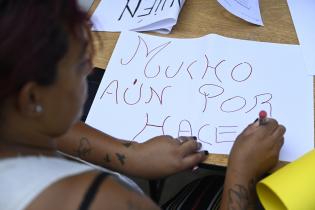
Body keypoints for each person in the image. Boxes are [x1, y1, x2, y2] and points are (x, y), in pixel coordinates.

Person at [0, 1, 286, 210]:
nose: (91, 68)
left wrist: (130, 154)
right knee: (216, 187)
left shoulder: (14, 119)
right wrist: (241, 175)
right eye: (79, 64)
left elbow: (42, 126)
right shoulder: (97, 200)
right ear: (32, 98)